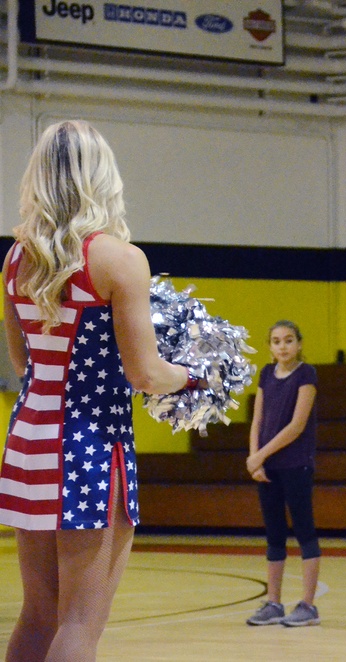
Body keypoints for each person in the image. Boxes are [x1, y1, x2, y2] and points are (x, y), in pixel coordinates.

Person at [0, 120, 195, 662]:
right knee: (81, 623)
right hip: (87, 445)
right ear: (102, 176)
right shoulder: (117, 259)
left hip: (28, 440)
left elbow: (24, 362)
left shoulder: (16, 259)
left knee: (38, 616)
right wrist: (196, 375)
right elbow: (147, 375)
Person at [245, 320, 321, 627]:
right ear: (270, 346)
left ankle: (308, 605)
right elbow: (257, 419)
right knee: (274, 535)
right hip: (268, 468)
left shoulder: (306, 375)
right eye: (276, 341)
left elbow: (296, 426)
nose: (282, 346)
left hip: (295, 464)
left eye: (288, 340)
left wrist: (261, 454)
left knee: (304, 531)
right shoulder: (266, 374)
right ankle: (273, 603)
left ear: (299, 344)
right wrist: (254, 458)